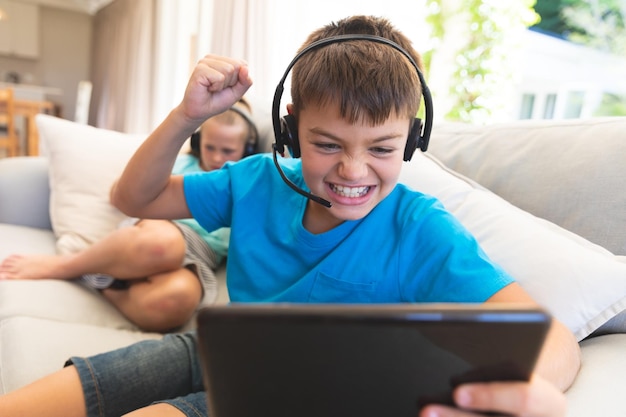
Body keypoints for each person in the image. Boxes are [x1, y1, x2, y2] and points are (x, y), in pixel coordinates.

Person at [0, 15, 580, 417]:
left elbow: (555, 339)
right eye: (327, 144)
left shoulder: (420, 229)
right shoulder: (256, 181)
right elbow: (134, 199)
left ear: (411, 140)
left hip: (286, 399)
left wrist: (527, 387)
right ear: (290, 127)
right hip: (205, 350)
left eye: (381, 149)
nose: (354, 171)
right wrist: (185, 116)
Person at [0, 98, 258, 332]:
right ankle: (66, 266)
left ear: (247, 149)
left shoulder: (247, 181)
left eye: (227, 151)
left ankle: (102, 284)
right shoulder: (181, 164)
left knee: (176, 301)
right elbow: (122, 195)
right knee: (164, 245)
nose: (215, 157)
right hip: (161, 230)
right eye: (209, 146)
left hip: (202, 255)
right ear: (197, 141)